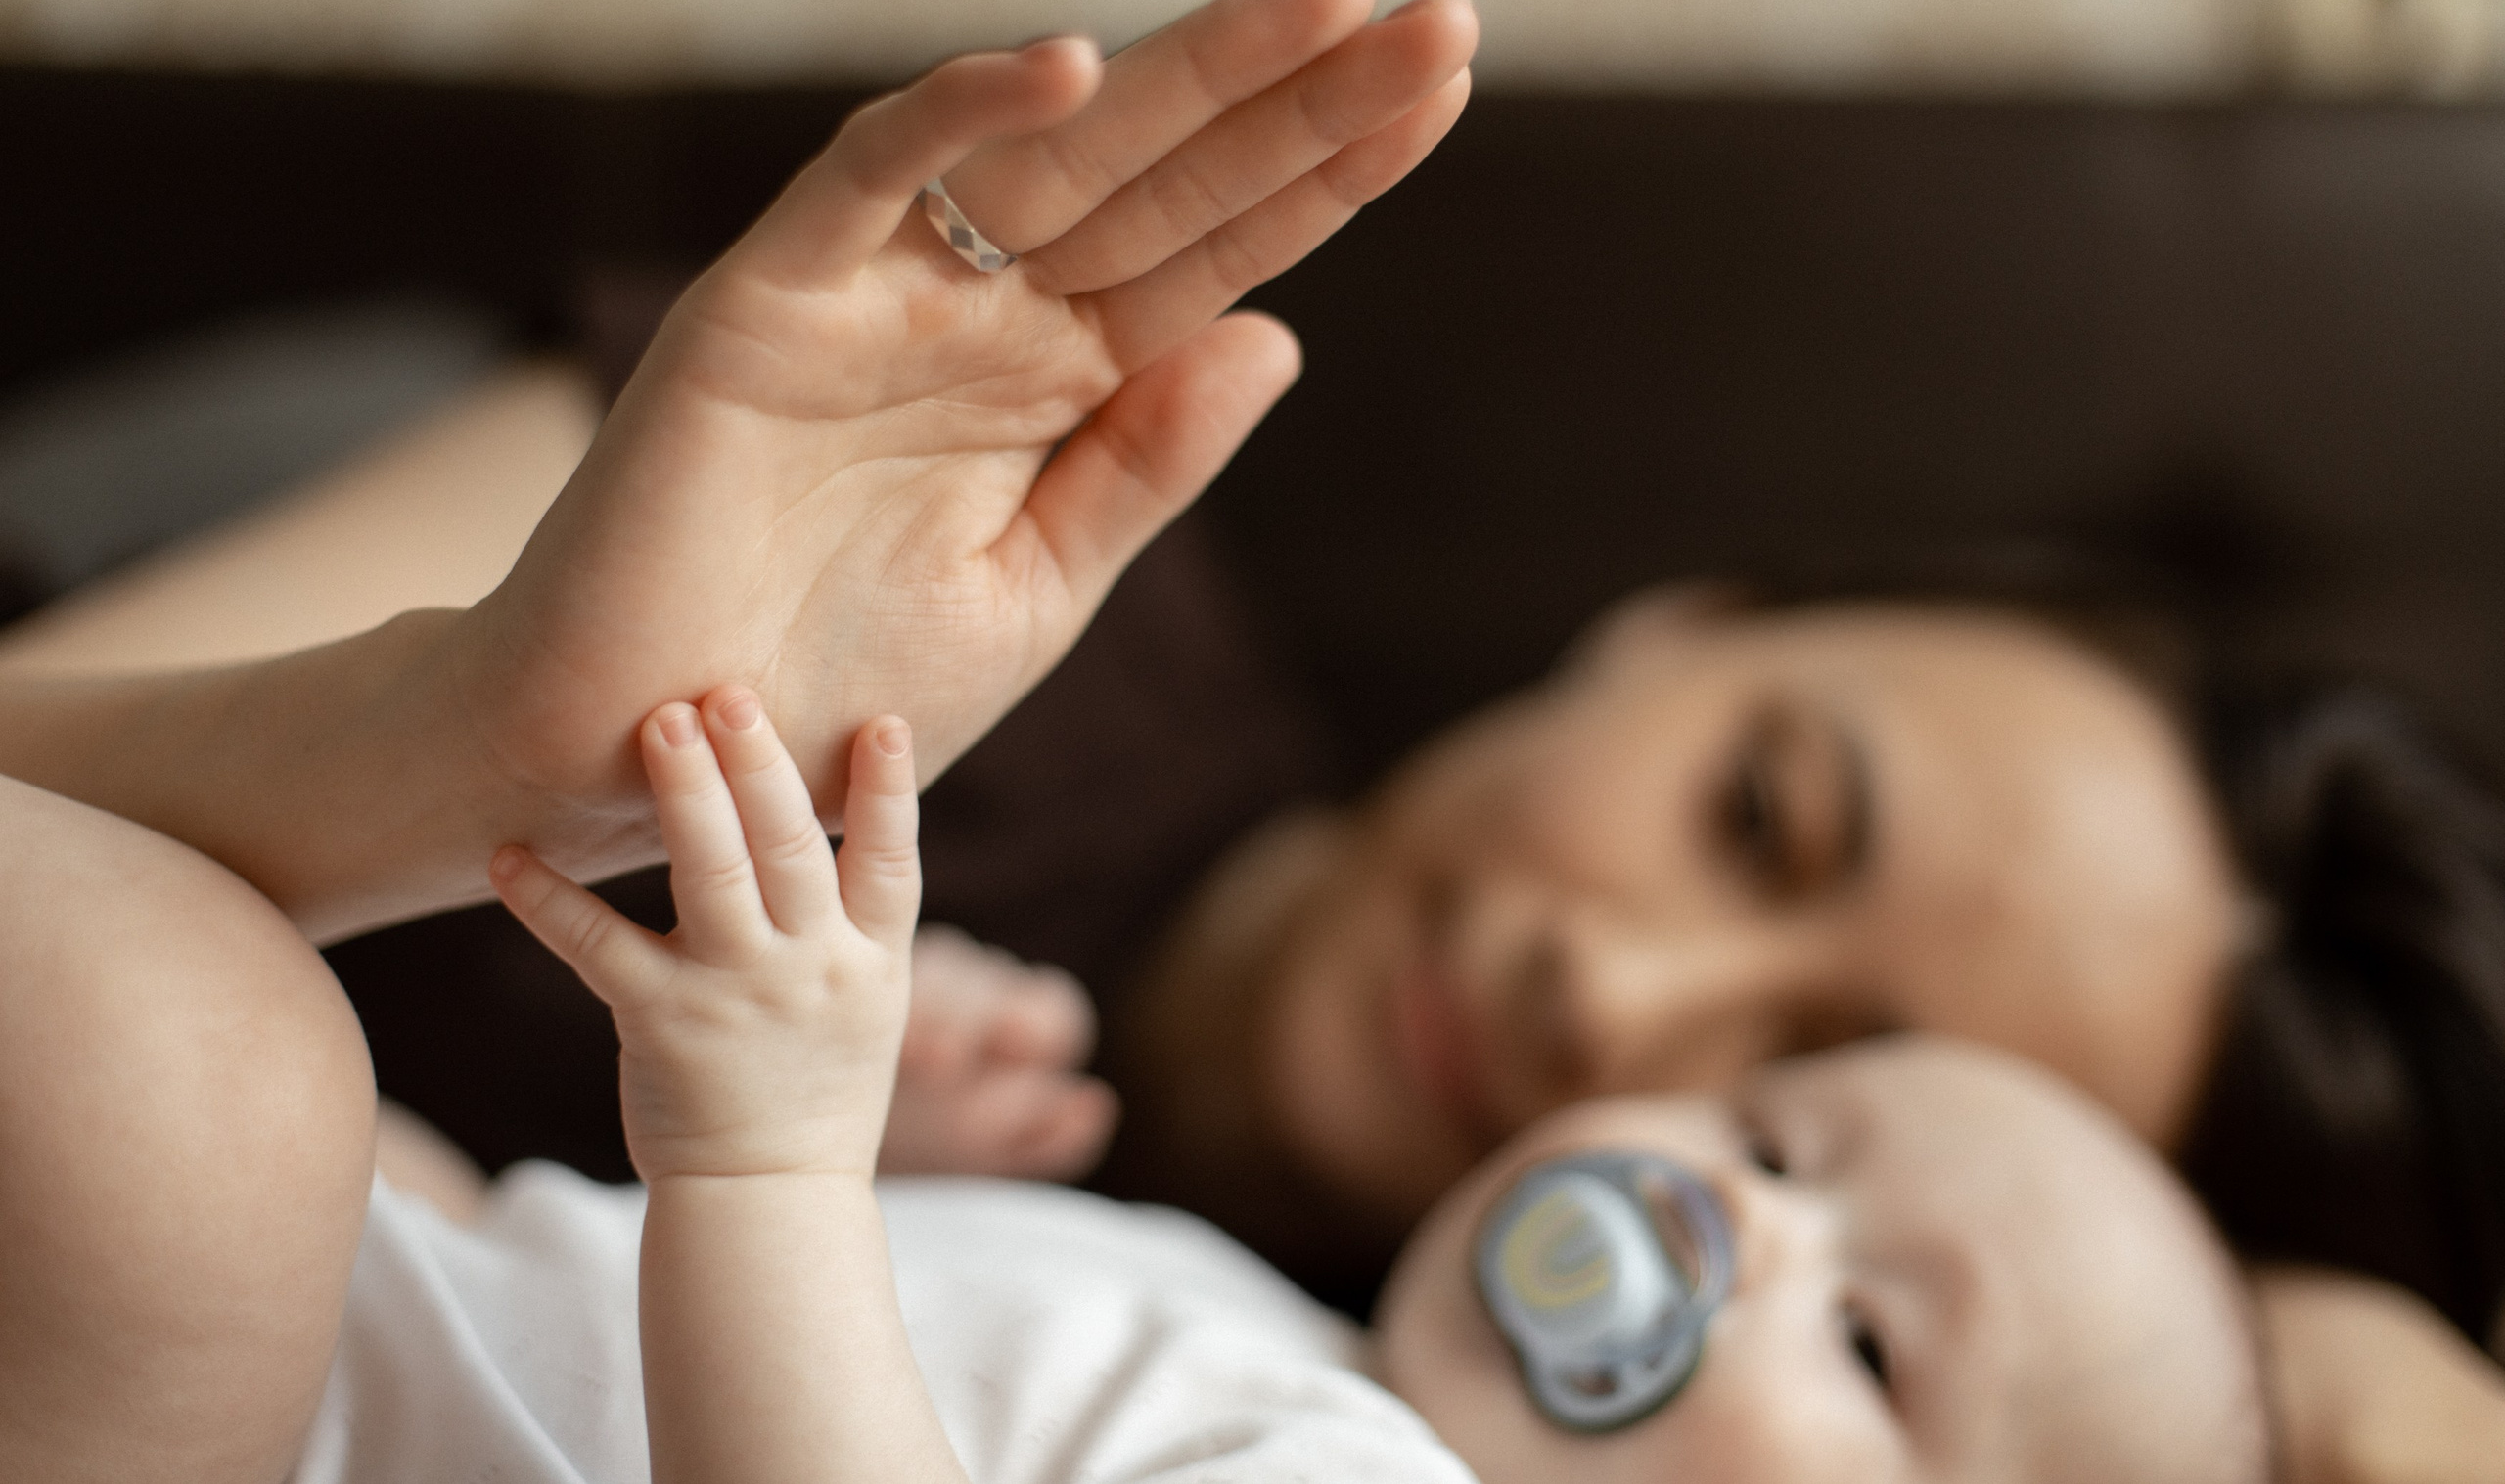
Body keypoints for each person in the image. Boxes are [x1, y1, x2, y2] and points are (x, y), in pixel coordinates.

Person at [0, 0, 1480, 1481]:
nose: (1609, 1004)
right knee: (205, 1081)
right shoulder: (1001, 550)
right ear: (1633, 638)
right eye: (1743, 816)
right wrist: (460, 742)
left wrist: (778, 1166)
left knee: (201, 1080)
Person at [316, 679, 2273, 1484]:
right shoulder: (1293, 1353)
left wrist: (776, 1167)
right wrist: (904, 1170)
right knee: (257, 1070)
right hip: (420, 1315)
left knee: (213, 1069)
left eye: (1863, 1339)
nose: (1746, 1222)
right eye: (1771, 1141)